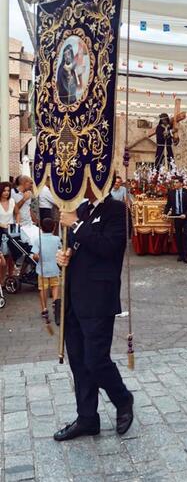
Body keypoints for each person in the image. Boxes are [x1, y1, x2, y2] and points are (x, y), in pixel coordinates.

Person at [54, 186, 134, 441]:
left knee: (96, 360)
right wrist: (63, 257)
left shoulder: (118, 210)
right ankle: (87, 418)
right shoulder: (83, 209)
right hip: (74, 298)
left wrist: (76, 224)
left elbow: (108, 247)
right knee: (78, 361)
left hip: (99, 299)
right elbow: (78, 248)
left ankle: (123, 400)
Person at [31, 218, 61, 327]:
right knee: (55, 287)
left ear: (41, 229)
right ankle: (55, 304)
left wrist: (37, 256)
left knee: (43, 289)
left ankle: (44, 309)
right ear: (53, 228)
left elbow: (34, 255)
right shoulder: (57, 239)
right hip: (54, 268)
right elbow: (60, 250)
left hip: (42, 269)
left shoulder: (37, 239)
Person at [164, 177, 187, 264]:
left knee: (186, 235)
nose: (174, 184)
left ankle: (186, 255)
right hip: (176, 217)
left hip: (186, 217)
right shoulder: (171, 193)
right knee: (178, 235)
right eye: (174, 182)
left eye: (176, 182)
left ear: (181, 183)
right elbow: (168, 204)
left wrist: (185, 214)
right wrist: (165, 213)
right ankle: (180, 254)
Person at [0, 181, 19, 286]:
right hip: (1, 230)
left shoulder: (12, 201)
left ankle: (10, 276)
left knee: (12, 255)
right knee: (3, 257)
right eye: (4, 191)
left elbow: (17, 213)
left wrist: (18, 223)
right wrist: (2, 225)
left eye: (8, 190)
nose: (6, 193)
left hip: (12, 229)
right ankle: (1, 280)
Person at [11, 176, 39, 246]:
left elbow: (28, 208)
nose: (32, 186)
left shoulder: (29, 193)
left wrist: (35, 220)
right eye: (31, 183)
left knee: (39, 241)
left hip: (29, 224)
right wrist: (24, 199)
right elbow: (13, 210)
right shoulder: (12, 193)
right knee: (20, 247)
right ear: (24, 183)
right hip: (17, 225)